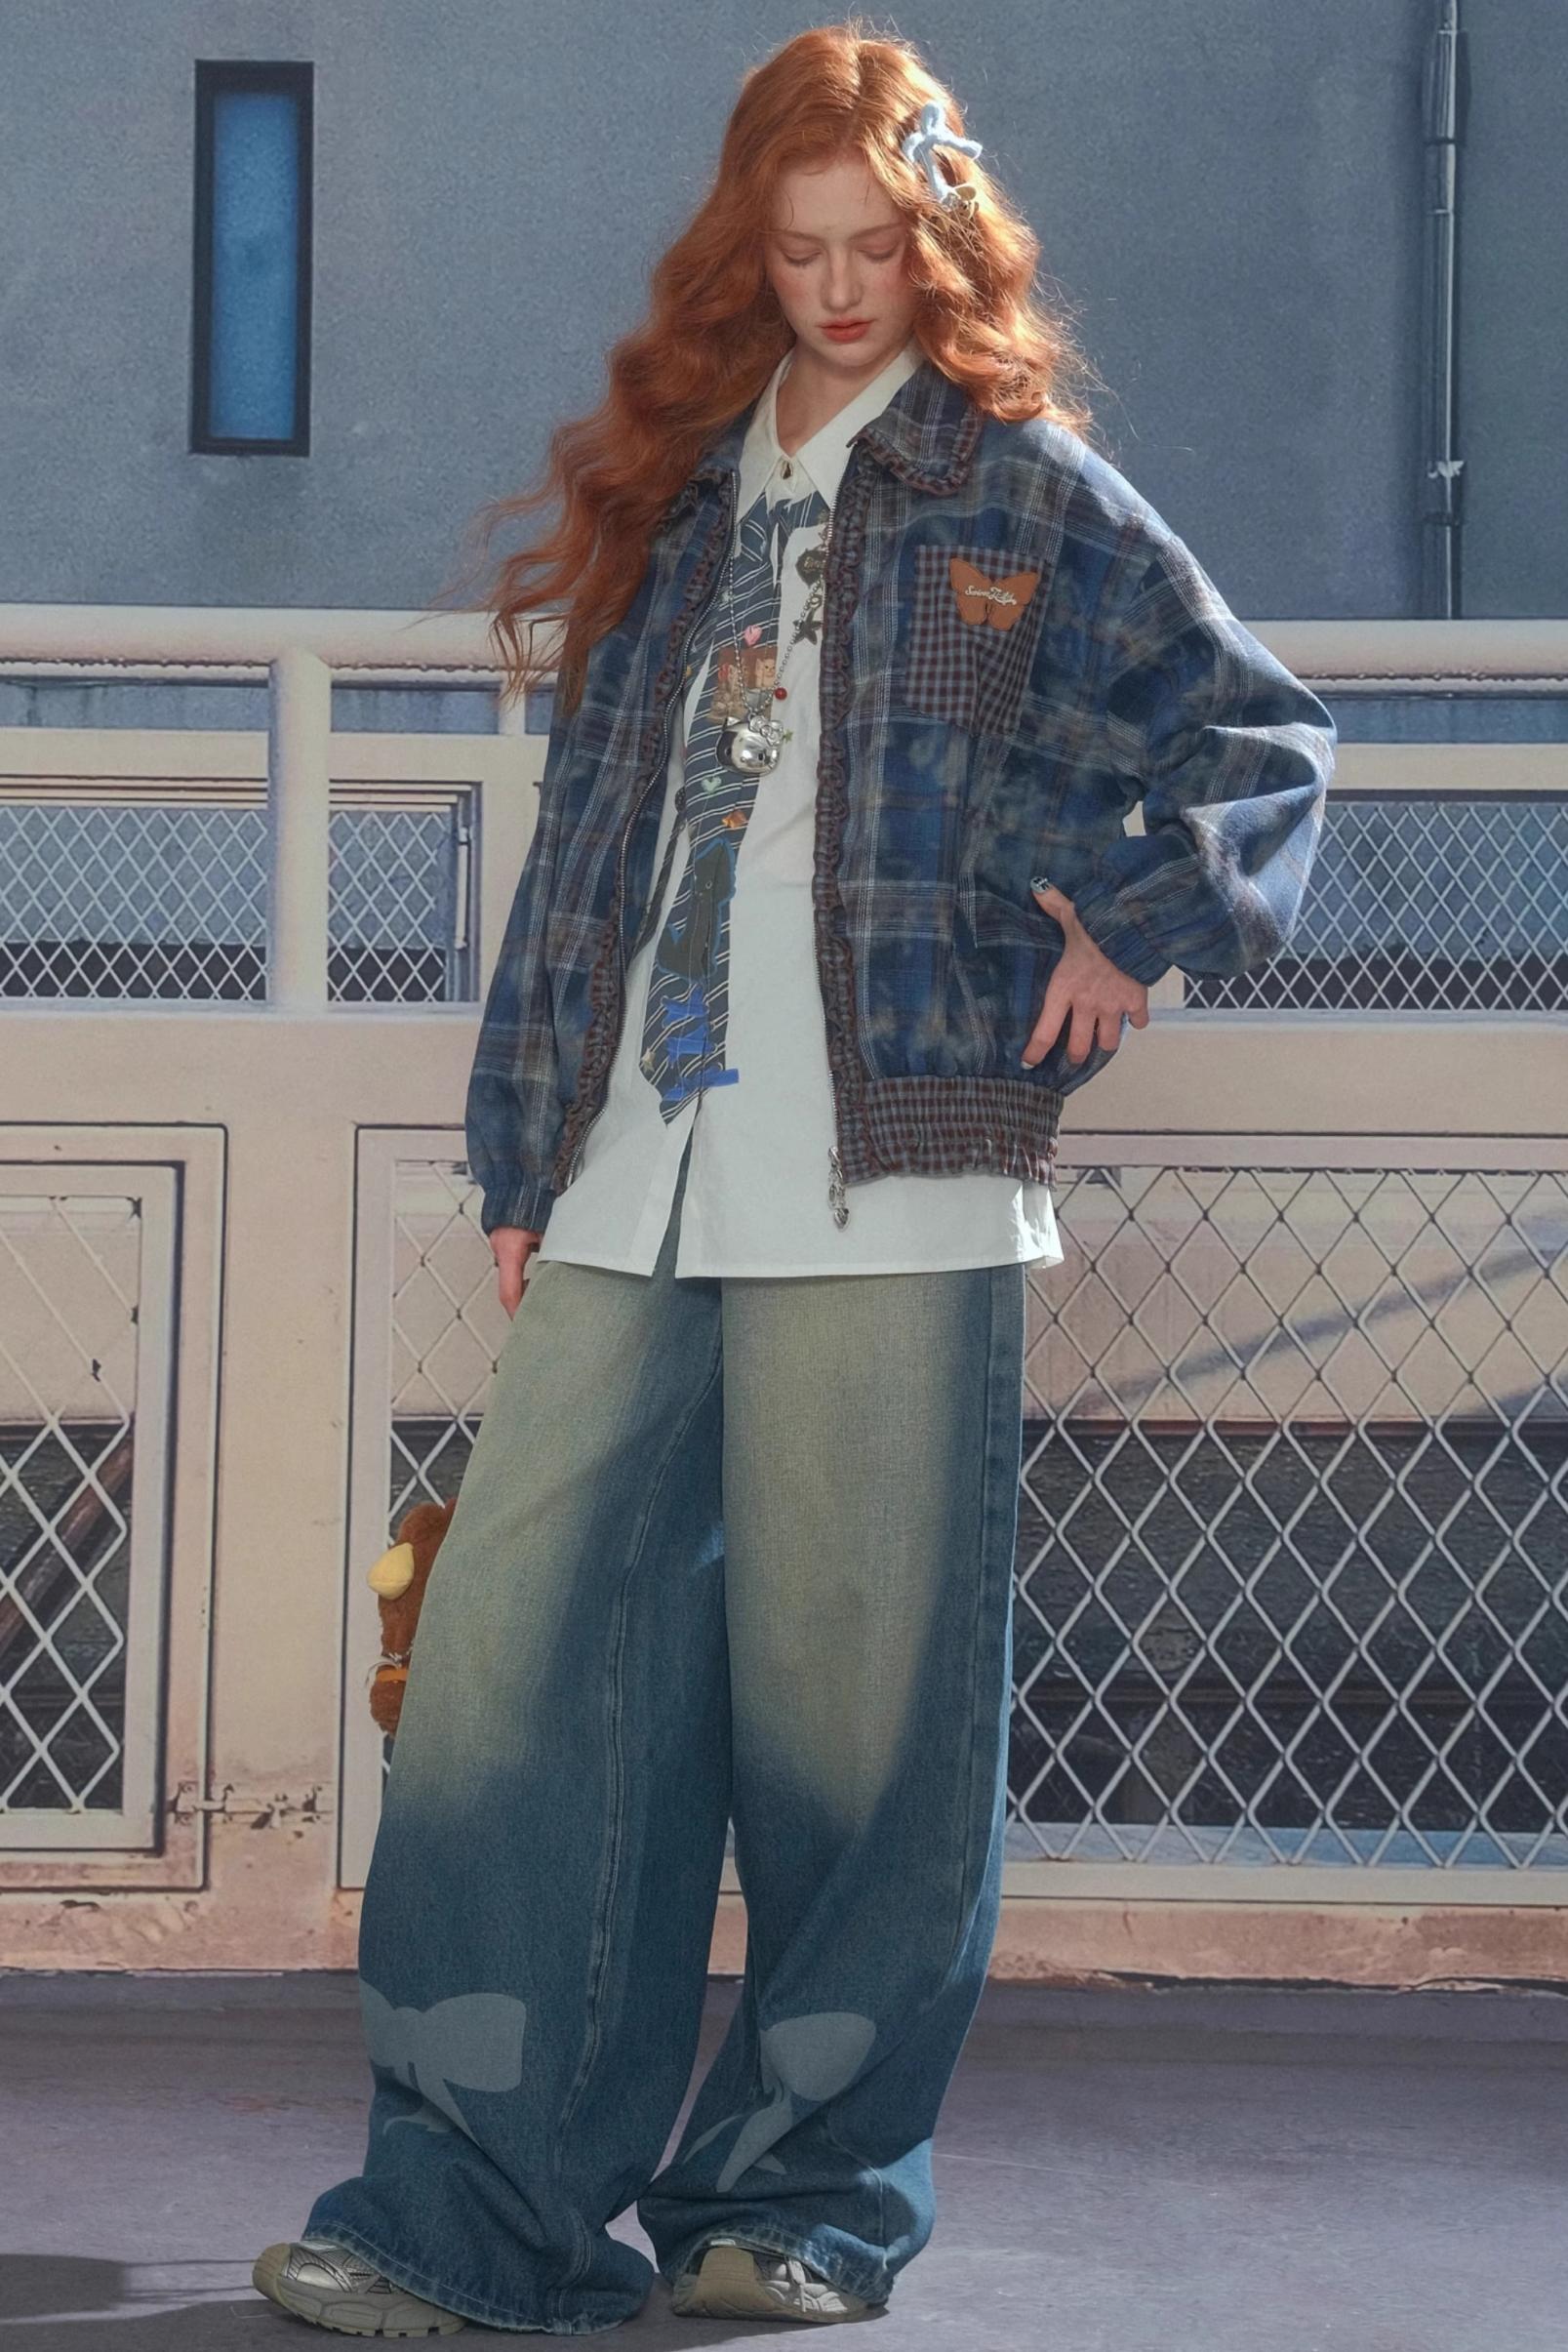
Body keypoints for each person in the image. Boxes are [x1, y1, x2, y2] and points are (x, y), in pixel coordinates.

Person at [254, 22, 1336, 2338]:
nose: (839, 288)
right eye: (800, 248)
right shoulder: (681, 497)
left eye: (875, 248)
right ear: (746, 249)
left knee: (861, 1731)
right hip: (640, 1155)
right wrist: (526, 1140)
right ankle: (470, 2208)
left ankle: (802, 2197)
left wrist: (1134, 929)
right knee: (515, 1692)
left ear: (936, 247)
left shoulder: (1020, 489)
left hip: (903, 1165)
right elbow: (586, 856)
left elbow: (1263, 735)